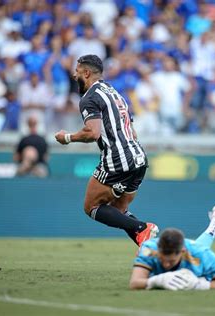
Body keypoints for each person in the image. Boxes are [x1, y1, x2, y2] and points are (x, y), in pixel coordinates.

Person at [54, 54, 158, 246]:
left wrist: (67, 138)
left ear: (86, 73)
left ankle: (143, 228)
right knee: (119, 210)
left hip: (117, 159)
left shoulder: (89, 98)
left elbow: (92, 133)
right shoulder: (114, 92)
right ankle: (151, 248)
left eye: (77, 71)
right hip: (139, 158)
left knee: (91, 207)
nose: (74, 75)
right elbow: (131, 130)